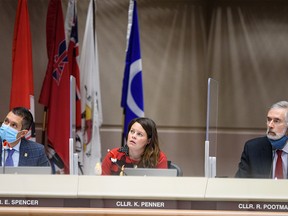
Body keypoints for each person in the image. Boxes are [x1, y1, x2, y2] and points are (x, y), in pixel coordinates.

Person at [235, 101, 288, 178]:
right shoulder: (253, 149)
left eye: (276, 121)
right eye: (269, 120)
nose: (270, 125)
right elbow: (239, 184)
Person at [101, 117, 168, 175]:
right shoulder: (113, 155)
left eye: (139, 134)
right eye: (132, 131)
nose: (133, 136)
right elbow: (102, 183)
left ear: (148, 140)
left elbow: (161, 186)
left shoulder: (158, 158)